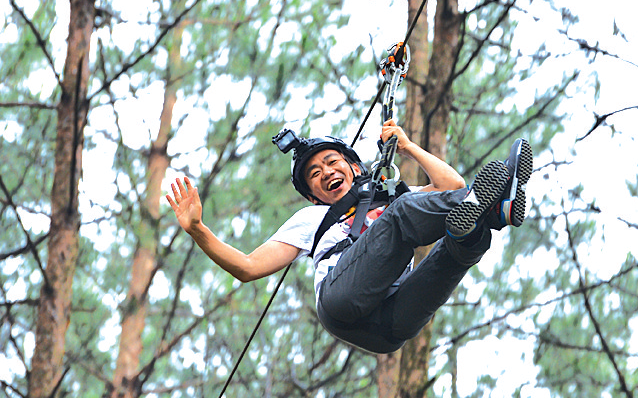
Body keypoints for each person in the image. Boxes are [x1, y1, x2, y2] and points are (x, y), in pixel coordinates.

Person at [166, 119, 532, 354]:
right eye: (314, 174)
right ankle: (493, 208)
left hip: (390, 327)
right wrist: (198, 229)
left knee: (458, 246)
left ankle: (491, 216)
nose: (325, 172)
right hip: (342, 303)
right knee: (404, 212)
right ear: (313, 196)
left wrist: (406, 146)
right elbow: (247, 267)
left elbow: (451, 187)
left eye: (331, 162)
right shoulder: (313, 218)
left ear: (354, 167)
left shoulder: (388, 198)